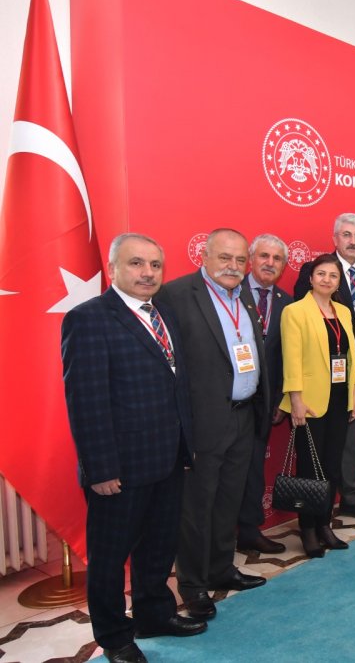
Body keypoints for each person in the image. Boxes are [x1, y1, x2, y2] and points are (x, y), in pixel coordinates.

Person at [62, 234, 205, 663]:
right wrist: (100, 468)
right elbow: (86, 400)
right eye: (137, 263)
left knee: (158, 547)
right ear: (113, 269)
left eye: (155, 265)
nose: (148, 273)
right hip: (120, 468)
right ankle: (114, 637)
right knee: (109, 559)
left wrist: (185, 447)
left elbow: (176, 385)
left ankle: (154, 614)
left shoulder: (163, 313)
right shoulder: (88, 319)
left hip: (168, 457)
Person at [156, 228, 269, 622]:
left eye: (240, 260)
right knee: (196, 507)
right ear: (204, 256)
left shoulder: (245, 296)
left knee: (228, 501)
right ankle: (193, 585)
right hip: (203, 421)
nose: (233, 266)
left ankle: (222, 568)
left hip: (243, 415)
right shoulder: (175, 295)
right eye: (224, 257)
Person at [296, 213, 355, 522]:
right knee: (319, 448)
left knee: (349, 442)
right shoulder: (316, 270)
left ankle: (349, 498)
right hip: (320, 375)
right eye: (346, 235)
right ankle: (318, 511)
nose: (352, 241)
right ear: (335, 238)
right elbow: (301, 323)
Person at [279, 254, 355, 557]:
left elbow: (351, 356)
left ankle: (325, 524)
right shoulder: (295, 311)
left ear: (339, 282)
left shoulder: (343, 311)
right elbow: (292, 359)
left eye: (333, 275)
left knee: (331, 467)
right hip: (310, 403)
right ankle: (308, 530)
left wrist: (354, 392)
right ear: (311, 278)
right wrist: (296, 400)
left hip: (340, 400)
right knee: (308, 469)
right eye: (321, 274)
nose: (327, 280)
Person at [237, 234, 291, 554]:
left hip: (264, 402)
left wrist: (281, 398)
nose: (270, 263)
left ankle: (248, 530)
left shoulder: (286, 302)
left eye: (277, 259)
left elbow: (285, 356)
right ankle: (215, 540)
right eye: (264, 256)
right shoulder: (230, 293)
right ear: (251, 259)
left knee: (254, 469)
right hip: (228, 402)